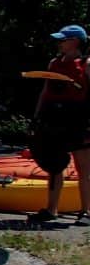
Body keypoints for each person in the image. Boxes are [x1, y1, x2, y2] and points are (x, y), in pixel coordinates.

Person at [29, 25, 90, 222]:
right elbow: (45, 92)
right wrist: (37, 117)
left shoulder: (87, 64)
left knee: (84, 168)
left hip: (80, 121)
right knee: (55, 166)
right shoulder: (54, 63)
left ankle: (86, 211)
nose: (59, 43)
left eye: (63, 40)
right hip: (55, 120)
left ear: (75, 41)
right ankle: (51, 209)